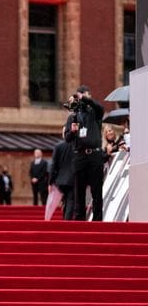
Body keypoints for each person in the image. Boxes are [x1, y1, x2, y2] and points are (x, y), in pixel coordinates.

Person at [64, 85, 105, 221]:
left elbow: (99, 107)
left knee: (96, 190)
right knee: (79, 190)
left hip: (94, 155)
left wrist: (85, 99)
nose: (80, 97)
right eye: (78, 94)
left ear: (88, 95)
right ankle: (80, 220)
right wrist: (72, 131)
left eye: (83, 94)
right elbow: (68, 138)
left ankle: (97, 220)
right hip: (79, 155)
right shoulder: (73, 117)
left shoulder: (95, 112)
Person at [50, 127, 76, 220]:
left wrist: (50, 182)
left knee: (65, 201)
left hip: (60, 180)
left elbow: (53, 165)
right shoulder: (76, 146)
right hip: (73, 179)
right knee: (70, 200)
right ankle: (67, 222)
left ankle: (65, 219)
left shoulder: (58, 146)